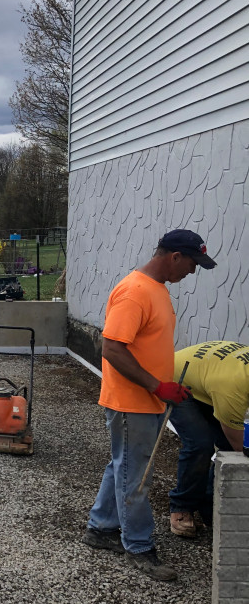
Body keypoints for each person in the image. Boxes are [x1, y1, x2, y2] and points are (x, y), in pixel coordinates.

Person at [82, 229, 216, 581]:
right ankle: (139, 545)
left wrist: (163, 388)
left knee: (123, 468)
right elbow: (111, 349)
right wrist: (157, 386)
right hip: (133, 403)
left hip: (147, 400)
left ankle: (101, 527)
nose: (192, 271)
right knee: (136, 476)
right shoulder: (135, 292)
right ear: (174, 256)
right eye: (192, 263)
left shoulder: (156, 290)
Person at [167, 341, 249, 537]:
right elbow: (239, 446)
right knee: (201, 444)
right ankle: (182, 506)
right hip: (176, 379)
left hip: (207, 378)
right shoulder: (233, 386)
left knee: (227, 449)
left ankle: (210, 506)